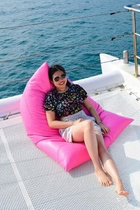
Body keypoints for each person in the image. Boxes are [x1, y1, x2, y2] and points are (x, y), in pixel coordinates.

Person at [44, 64, 129, 196]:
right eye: (56, 78)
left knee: (102, 148)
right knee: (88, 124)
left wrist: (99, 122)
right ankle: (98, 168)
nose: (61, 79)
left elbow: (90, 107)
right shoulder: (51, 97)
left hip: (85, 119)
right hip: (69, 125)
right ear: (51, 81)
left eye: (63, 76)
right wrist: (74, 122)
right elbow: (51, 123)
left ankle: (119, 183)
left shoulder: (76, 89)